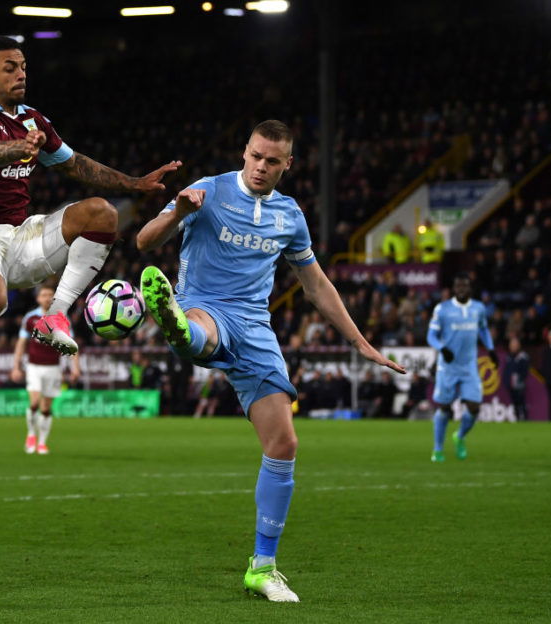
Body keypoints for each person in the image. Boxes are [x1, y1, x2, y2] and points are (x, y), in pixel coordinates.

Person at [134, 120, 405, 602]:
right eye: (256, 156)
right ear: (245, 151)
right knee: (202, 332)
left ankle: (262, 568)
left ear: (287, 165)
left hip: (256, 327)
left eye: (272, 161)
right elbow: (143, 241)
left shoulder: (290, 215)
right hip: (205, 305)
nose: (261, 166)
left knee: (284, 443)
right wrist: (177, 212)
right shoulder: (208, 190)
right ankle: (178, 328)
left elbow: (316, 285)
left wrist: (360, 342)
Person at [0, 36, 180, 451]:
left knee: (103, 214)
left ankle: (57, 316)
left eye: (23, 66)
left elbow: (75, 164)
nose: (21, 74)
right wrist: (17, 147)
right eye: (10, 67)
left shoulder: (33, 120)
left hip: (20, 236)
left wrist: (134, 184)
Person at [427, 273, 498, 462]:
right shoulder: (442, 309)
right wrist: (442, 348)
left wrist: (490, 349)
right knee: (444, 407)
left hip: (469, 366)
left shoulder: (478, 308)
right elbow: (431, 336)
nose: (461, 289)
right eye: (458, 286)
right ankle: (438, 449)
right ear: (453, 288)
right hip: (448, 367)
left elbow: (483, 329)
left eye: (464, 286)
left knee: (474, 407)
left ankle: (459, 436)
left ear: (470, 288)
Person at [10, 284, 80, 455]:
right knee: (34, 403)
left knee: (46, 408)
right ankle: (31, 434)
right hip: (34, 367)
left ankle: (42, 443)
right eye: (44, 295)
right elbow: (21, 343)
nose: (47, 298)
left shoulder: (61, 318)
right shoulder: (31, 318)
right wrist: (16, 366)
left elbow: (71, 344)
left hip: (53, 368)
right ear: (38, 298)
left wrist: (75, 367)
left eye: (50, 295)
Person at [503, 336, 530, 421]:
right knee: (514, 402)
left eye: (515, 345)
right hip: (510, 384)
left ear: (519, 345)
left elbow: (525, 371)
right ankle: (518, 418)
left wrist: (520, 379)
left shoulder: (523, 356)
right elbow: (506, 370)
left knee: (521, 402)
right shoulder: (508, 357)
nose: (513, 346)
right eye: (512, 345)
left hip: (519, 384)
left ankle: (524, 418)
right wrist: (506, 381)